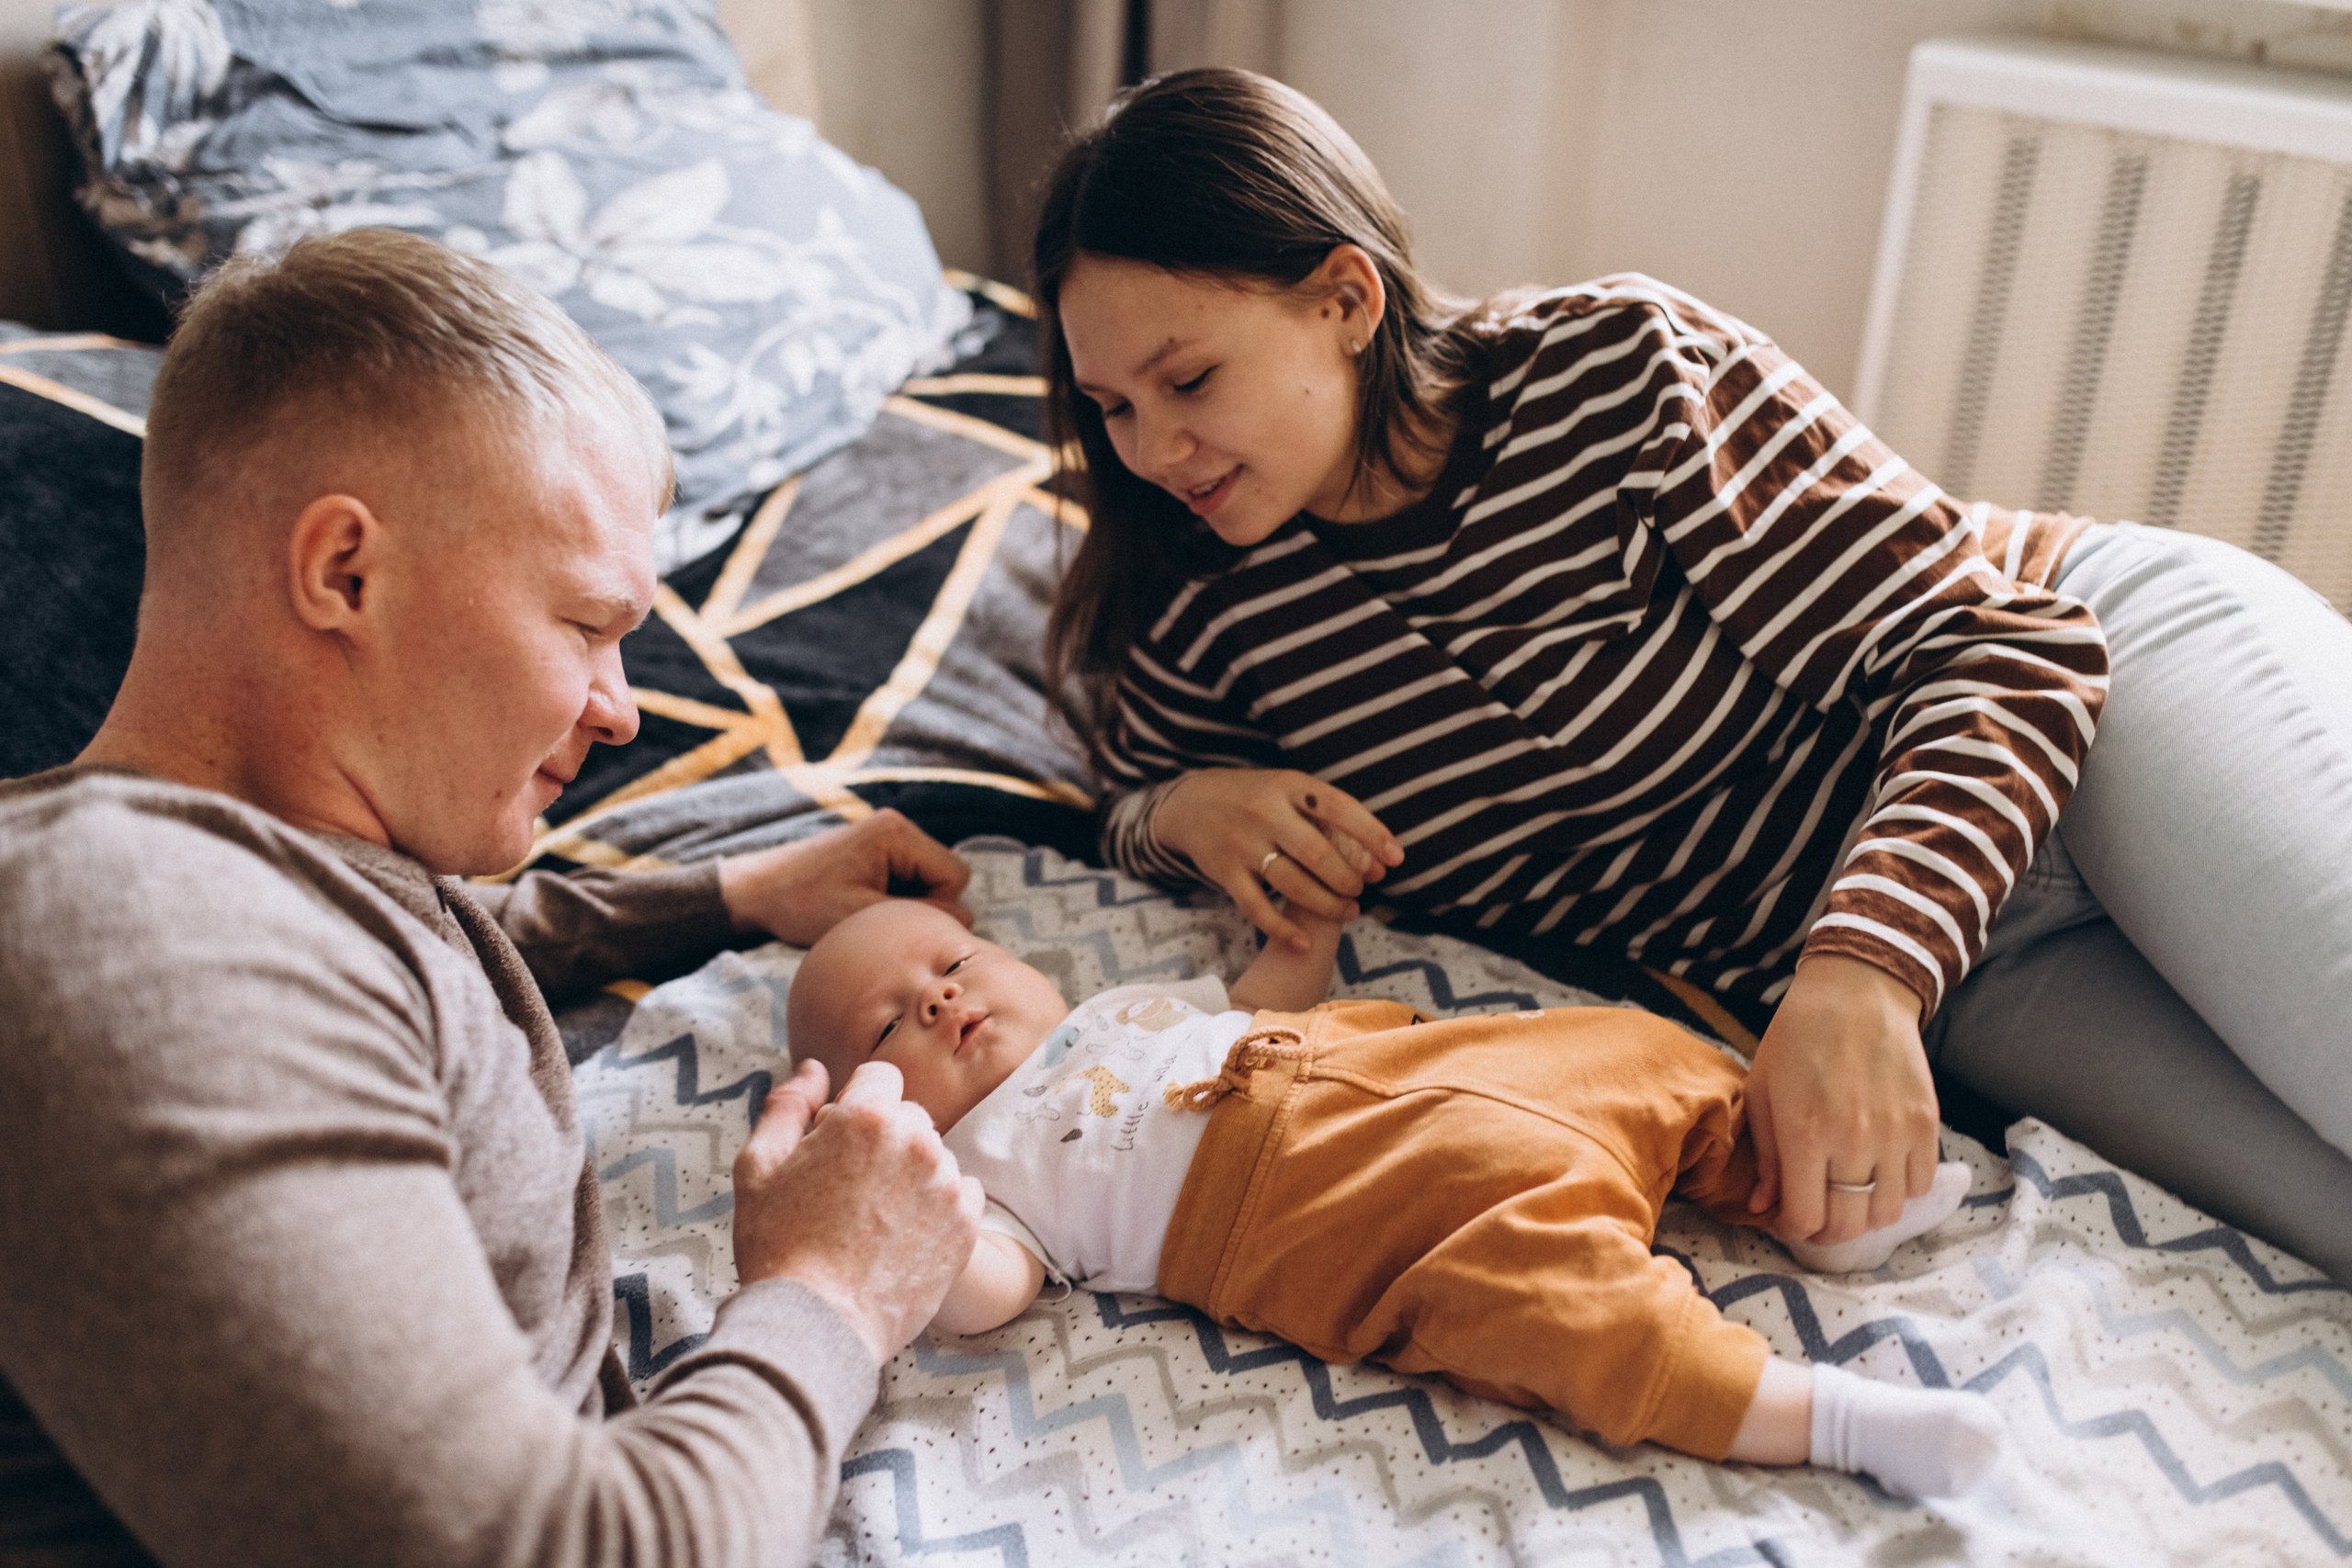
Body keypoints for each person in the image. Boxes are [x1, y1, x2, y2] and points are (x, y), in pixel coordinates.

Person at [1028, 68, 2352, 1283]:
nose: (1152, 450)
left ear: (1345, 300)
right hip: (1965, 968)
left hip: (2090, 710)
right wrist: (1184, 808)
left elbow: (2003, 648)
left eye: (1188, 379)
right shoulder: (1204, 598)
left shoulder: (1611, 373)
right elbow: (1116, 801)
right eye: (1113, 407)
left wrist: (1863, 971)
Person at [0, 229, 989, 1566]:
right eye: (585, 624)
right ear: (344, 573)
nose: (622, 708)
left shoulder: (235, 883)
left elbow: (401, 950)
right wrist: (836, 1289)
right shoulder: (131, 941)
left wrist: (738, 891)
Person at [786, 896, 2004, 1499]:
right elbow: (985, 1293)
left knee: (1642, 1055)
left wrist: (1300, 946)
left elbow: (1257, 998)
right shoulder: (980, 1169)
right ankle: (1839, 1423)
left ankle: (1808, 1199)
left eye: (953, 963)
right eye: (888, 1027)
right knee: (1569, 1322)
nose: (938, 1000)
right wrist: (901, 1204)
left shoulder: (1116, 1011)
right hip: (1338, 1214)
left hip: (1415, 1065)